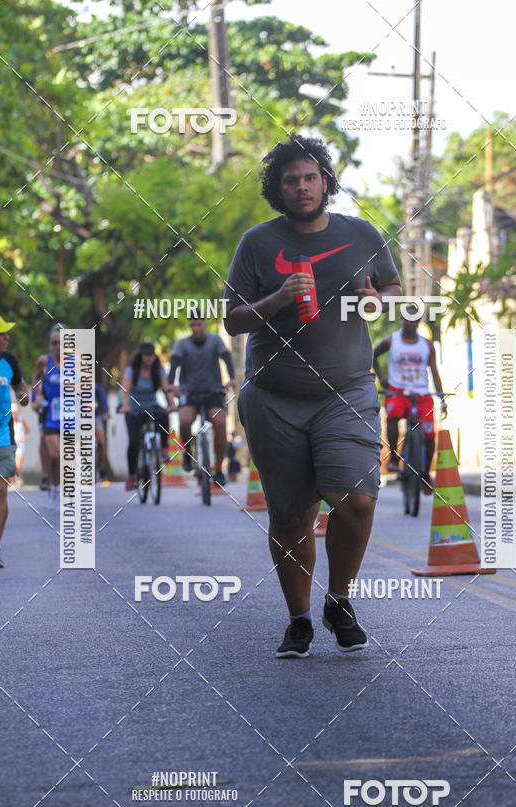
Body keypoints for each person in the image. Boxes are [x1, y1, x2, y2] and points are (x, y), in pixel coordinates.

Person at [224, 134, 401, 658]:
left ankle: (339, 600)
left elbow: (393, 289)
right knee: (292, 515)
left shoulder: (362, 234)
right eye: (291, 181)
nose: (302, 187)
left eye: (310, 177)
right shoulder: (257, 243)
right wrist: (278, 299)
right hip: (274, 398)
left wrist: (378, 301)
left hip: (346, 390)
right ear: (277, 190)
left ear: (325, 182)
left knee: (358, 501)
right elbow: (232, 320)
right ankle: (299, 619)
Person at [373, 305, 446, 494]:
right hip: (397, 391)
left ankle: (425, 473)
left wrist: (441, 396)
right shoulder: (392, 340)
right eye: (408, 319)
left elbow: (434, 372)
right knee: (393, 417)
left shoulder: (427, 345)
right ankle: (394, 458)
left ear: (418, 322)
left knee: (429, 434)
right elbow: (373, 355)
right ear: (402, 320)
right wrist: (381, 378)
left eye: (415, 320)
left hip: (421, 394)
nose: (411, 323)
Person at [168, 316, 236, 486]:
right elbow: (174, 363)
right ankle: (187, 452)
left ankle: (219, 470)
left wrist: (232, 378)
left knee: (220, 423)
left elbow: (226, 357)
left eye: (199, 324)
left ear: (204, 324)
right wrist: (171, 384)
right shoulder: (182, 344)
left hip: (213, 391)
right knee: (184, 421)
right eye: (192, 325)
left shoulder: (215, 341)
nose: (196, 328)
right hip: (189, 392)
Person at [0, 314, 30, 567]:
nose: (7, 337)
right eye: (1, 333)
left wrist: (23, 395)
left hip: (1, 436)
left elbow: (21, 386)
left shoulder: (9, 362)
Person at [121, 342, 171, 491]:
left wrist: (172, 403)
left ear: (154, 356)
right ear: (141, 356)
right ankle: (131, 475)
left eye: (151, 355)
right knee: (134, 442)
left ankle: (163, 448)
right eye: (146, 355)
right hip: (134, 409)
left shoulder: (158, 370)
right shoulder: (132, 370)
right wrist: (125, 406)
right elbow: (125, 389)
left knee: (164, 414)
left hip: (151, 406)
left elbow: (166, 389)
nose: (149, 358)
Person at [32, 323, 66, 507]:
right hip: (50, 414)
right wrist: (37, 396)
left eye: (61, 343)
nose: (57, 347)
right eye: (54, 343)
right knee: (54, 455)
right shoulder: (44, 361)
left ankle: (63, 488)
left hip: (70, 415)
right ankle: (53, 484)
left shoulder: (76, 362)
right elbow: (36, 379)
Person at [95, 382, 110, 480]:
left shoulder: (96, 387)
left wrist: (107, 412)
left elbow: (104, 399)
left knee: (101, 442)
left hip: (95, 417)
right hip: (80, 418)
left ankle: (101, 468)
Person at [11, 402, 30, 483]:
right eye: (13, 412)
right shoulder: (8, 421)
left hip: (19, 445)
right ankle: (12, 481)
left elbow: (27, 430)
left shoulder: (21, 420)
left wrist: (23, 437)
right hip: (10, 445)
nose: (14, 414)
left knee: (18, 464)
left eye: (15, 412)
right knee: (11, 464)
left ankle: (18, 478)